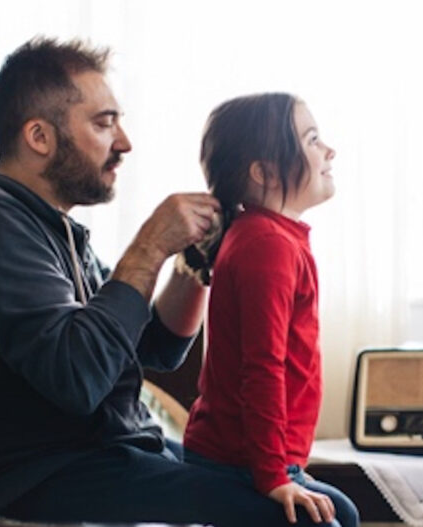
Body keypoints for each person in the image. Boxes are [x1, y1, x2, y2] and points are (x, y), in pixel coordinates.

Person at [0, 37, 335, 526]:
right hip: (25, 479)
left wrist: (192, 266)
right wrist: (149, 246)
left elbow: (151, 347)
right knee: (308, 516)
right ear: (40, 137)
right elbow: (78, 376)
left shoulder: (52, 226)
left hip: (100, 454)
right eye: (103, 122)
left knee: (322, 501)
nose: (124, 142)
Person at [181, 93, 359, 527]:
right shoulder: (267, 246)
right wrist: (273, 477)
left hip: (251, 458)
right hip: (236, 463)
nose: (328, 150)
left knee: (347, 512)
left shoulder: (272, 237)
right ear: (263, 172)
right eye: (312, 139)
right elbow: (262, 368)